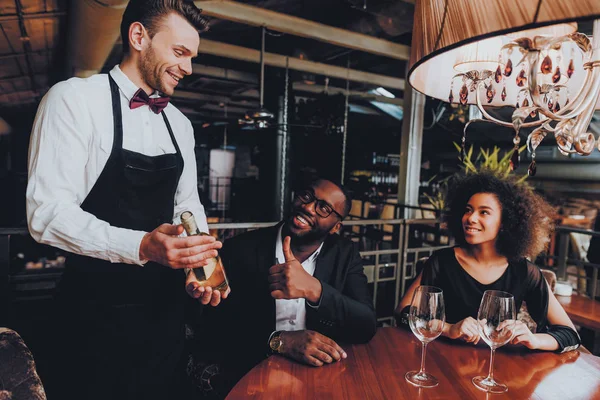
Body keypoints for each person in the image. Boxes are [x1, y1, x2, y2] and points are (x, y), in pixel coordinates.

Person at [26, 1, 227, 399]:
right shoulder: (73, 100)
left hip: (163, 320)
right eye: (180, 52)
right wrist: (141, 246)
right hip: (92, 318)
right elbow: (45, 214)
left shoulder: (181, 125)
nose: (188, 68)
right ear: (139, 37)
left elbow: (187, 207)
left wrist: (204, 267)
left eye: (192, 57)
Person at [194, 178, 377, 394]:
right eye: (307, 196)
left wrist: (315, 290)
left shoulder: (345, 254)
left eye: (324, 208)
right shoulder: (240, 249)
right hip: (250, 374)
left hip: (321, 377)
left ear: (336, 227)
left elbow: (366, 324)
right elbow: (214, 327)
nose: (308, 207)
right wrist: (279, 341)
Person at [395, 172, 580, 353]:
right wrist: (448, 328)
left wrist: (534, 339)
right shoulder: (441, 262)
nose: (471, 218)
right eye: (468, 210)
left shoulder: (525, 272)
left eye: (484, 212)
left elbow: (570, 335)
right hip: (444, 362)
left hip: (498, 371)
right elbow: (403, 314)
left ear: (506, 222)